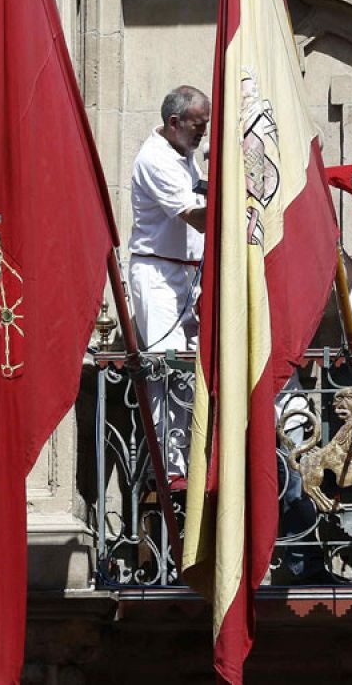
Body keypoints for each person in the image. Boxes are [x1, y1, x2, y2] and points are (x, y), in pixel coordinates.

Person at [127, 86, 209, 485]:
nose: (203, 133)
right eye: (198, 125)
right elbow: (196, 215)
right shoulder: (155, 159)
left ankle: (192, 458)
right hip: (158, 275)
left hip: (188, 273)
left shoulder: (184, 154)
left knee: (191, 368)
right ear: (174, 123)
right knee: (166, 365)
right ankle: (170, 468)